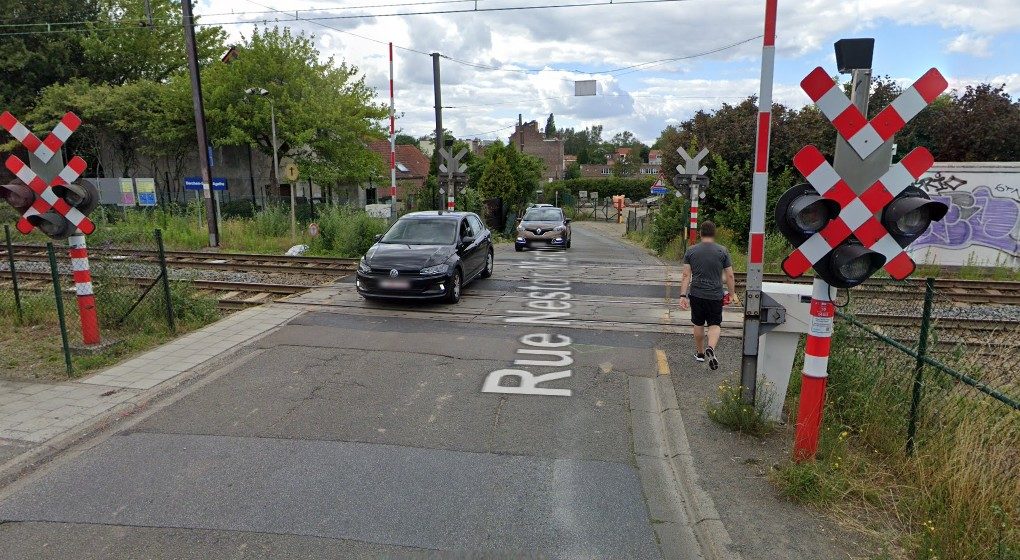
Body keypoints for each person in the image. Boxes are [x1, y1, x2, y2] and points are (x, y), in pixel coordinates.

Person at [678, 221, 737, 370]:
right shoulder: (722, 251)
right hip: (715, 295)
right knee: (714, 324)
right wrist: (731, 294)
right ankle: (711, 347)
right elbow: (729, 275)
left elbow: (686, 275)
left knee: (698, 324)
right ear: (714, 233)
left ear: (700, 233)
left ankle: (700, 353)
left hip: (697, 294)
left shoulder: (691, 251)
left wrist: (682, 295)